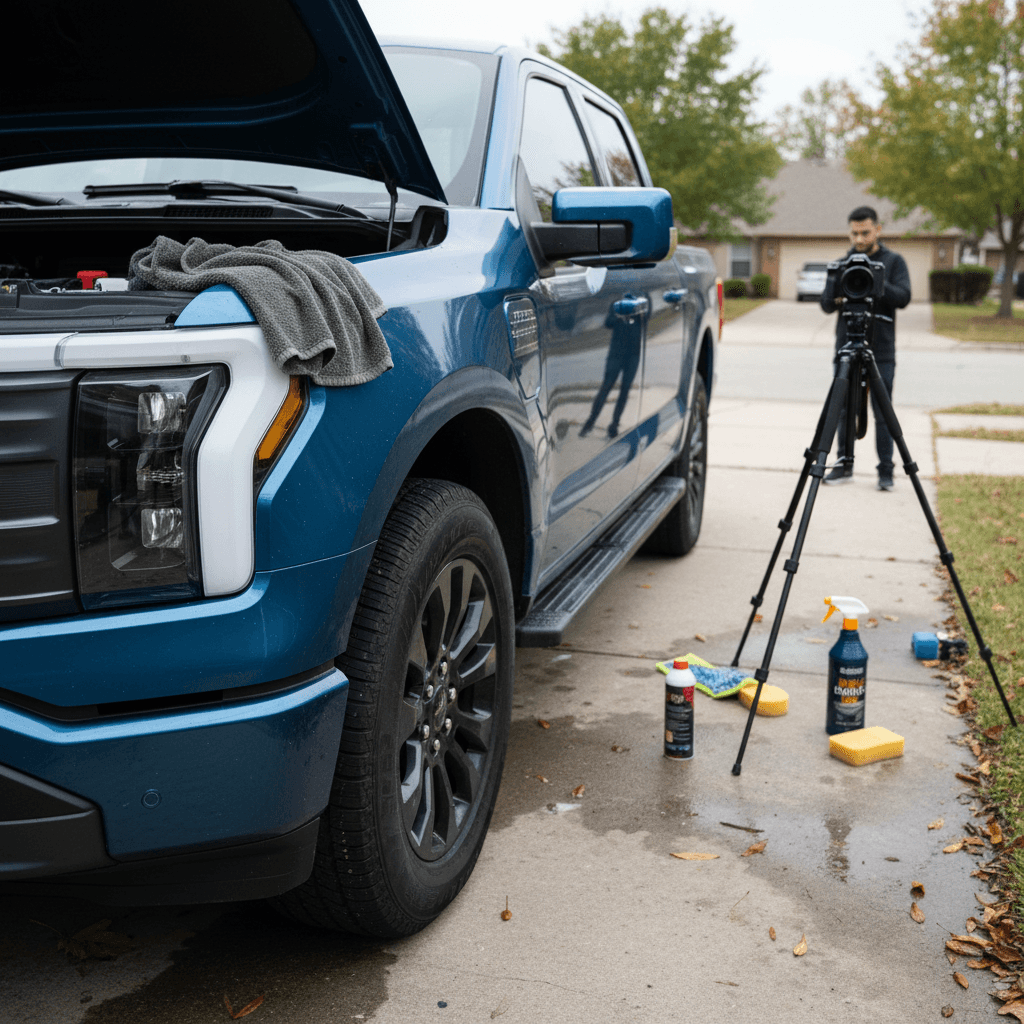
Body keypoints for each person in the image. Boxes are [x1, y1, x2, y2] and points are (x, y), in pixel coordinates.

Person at [820, 206, 911, 491]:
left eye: (865, 232)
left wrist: (875, 281)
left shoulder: (893, 262)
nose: (859, 238)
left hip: (881, 350)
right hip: (847, 345)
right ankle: (843, 465)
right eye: (855, 233)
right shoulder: (843, 263)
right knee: (843, 410)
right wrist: (837, 282)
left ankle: (886, 472)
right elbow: (826, 305)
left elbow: (904, 297)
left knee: (883, 412)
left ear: (877, 230)